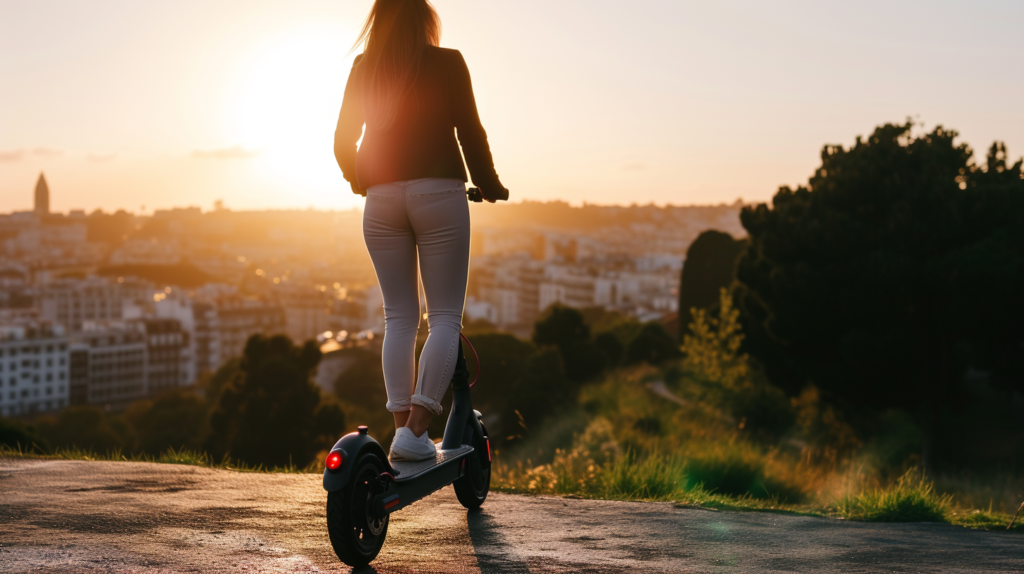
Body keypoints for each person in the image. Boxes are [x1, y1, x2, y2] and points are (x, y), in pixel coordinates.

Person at [334, 0, 506, 461]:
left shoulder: (364, 67)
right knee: (445, 317)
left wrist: (360, 179)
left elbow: (341, 140)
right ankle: (417, 429)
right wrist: (489, 184)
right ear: (423, 17)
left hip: (381, 199)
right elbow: (470, 130)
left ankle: (401, 431)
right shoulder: (448, 62)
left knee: (399, 318)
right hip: (439, 196)